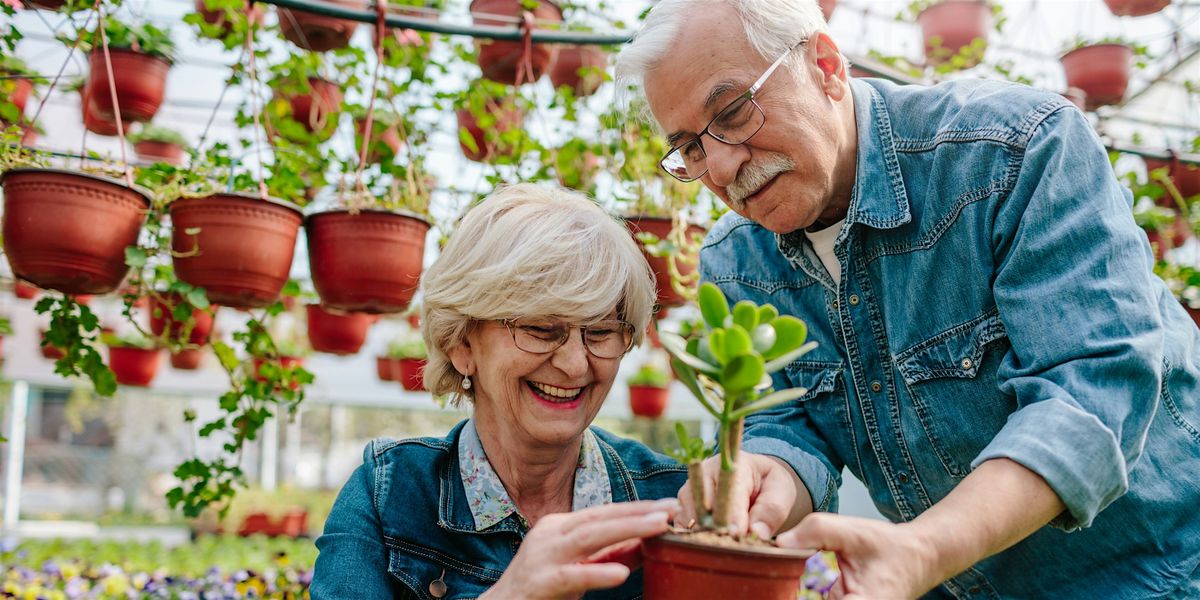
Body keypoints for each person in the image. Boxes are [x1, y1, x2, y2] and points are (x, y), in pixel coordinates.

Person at [615, 1, 1200, 598]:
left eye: (734, 112)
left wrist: (924, 549)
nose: (719, 167)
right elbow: (786, 426)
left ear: (825, 65)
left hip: (1164, 572)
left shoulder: (1011, 151)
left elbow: (1090, 393)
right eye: (688, 147)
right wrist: (768, 476)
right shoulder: (737, 260)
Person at [310, 184, 686, 600]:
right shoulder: (390, 493)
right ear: (462, 345)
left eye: (601, 332)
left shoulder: (670, 498)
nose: (575, 363)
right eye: (541, 329)